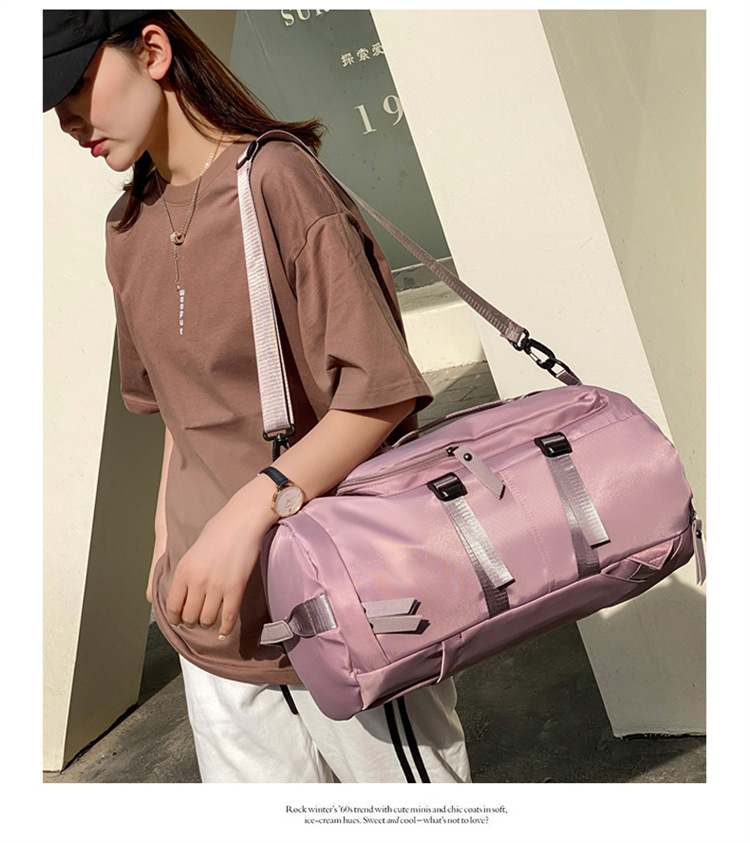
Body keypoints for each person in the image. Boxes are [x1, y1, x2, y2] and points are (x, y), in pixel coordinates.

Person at [44, 10, 471, 783]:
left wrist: (245, 516)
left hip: (345, 597)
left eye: (75, 86)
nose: (68, 119)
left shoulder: (277, 180)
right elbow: (180, 413)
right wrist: (165, 546)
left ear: (152, 50)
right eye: (54, 105)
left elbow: (378, 397)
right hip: (213, 628)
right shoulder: (127, 228)